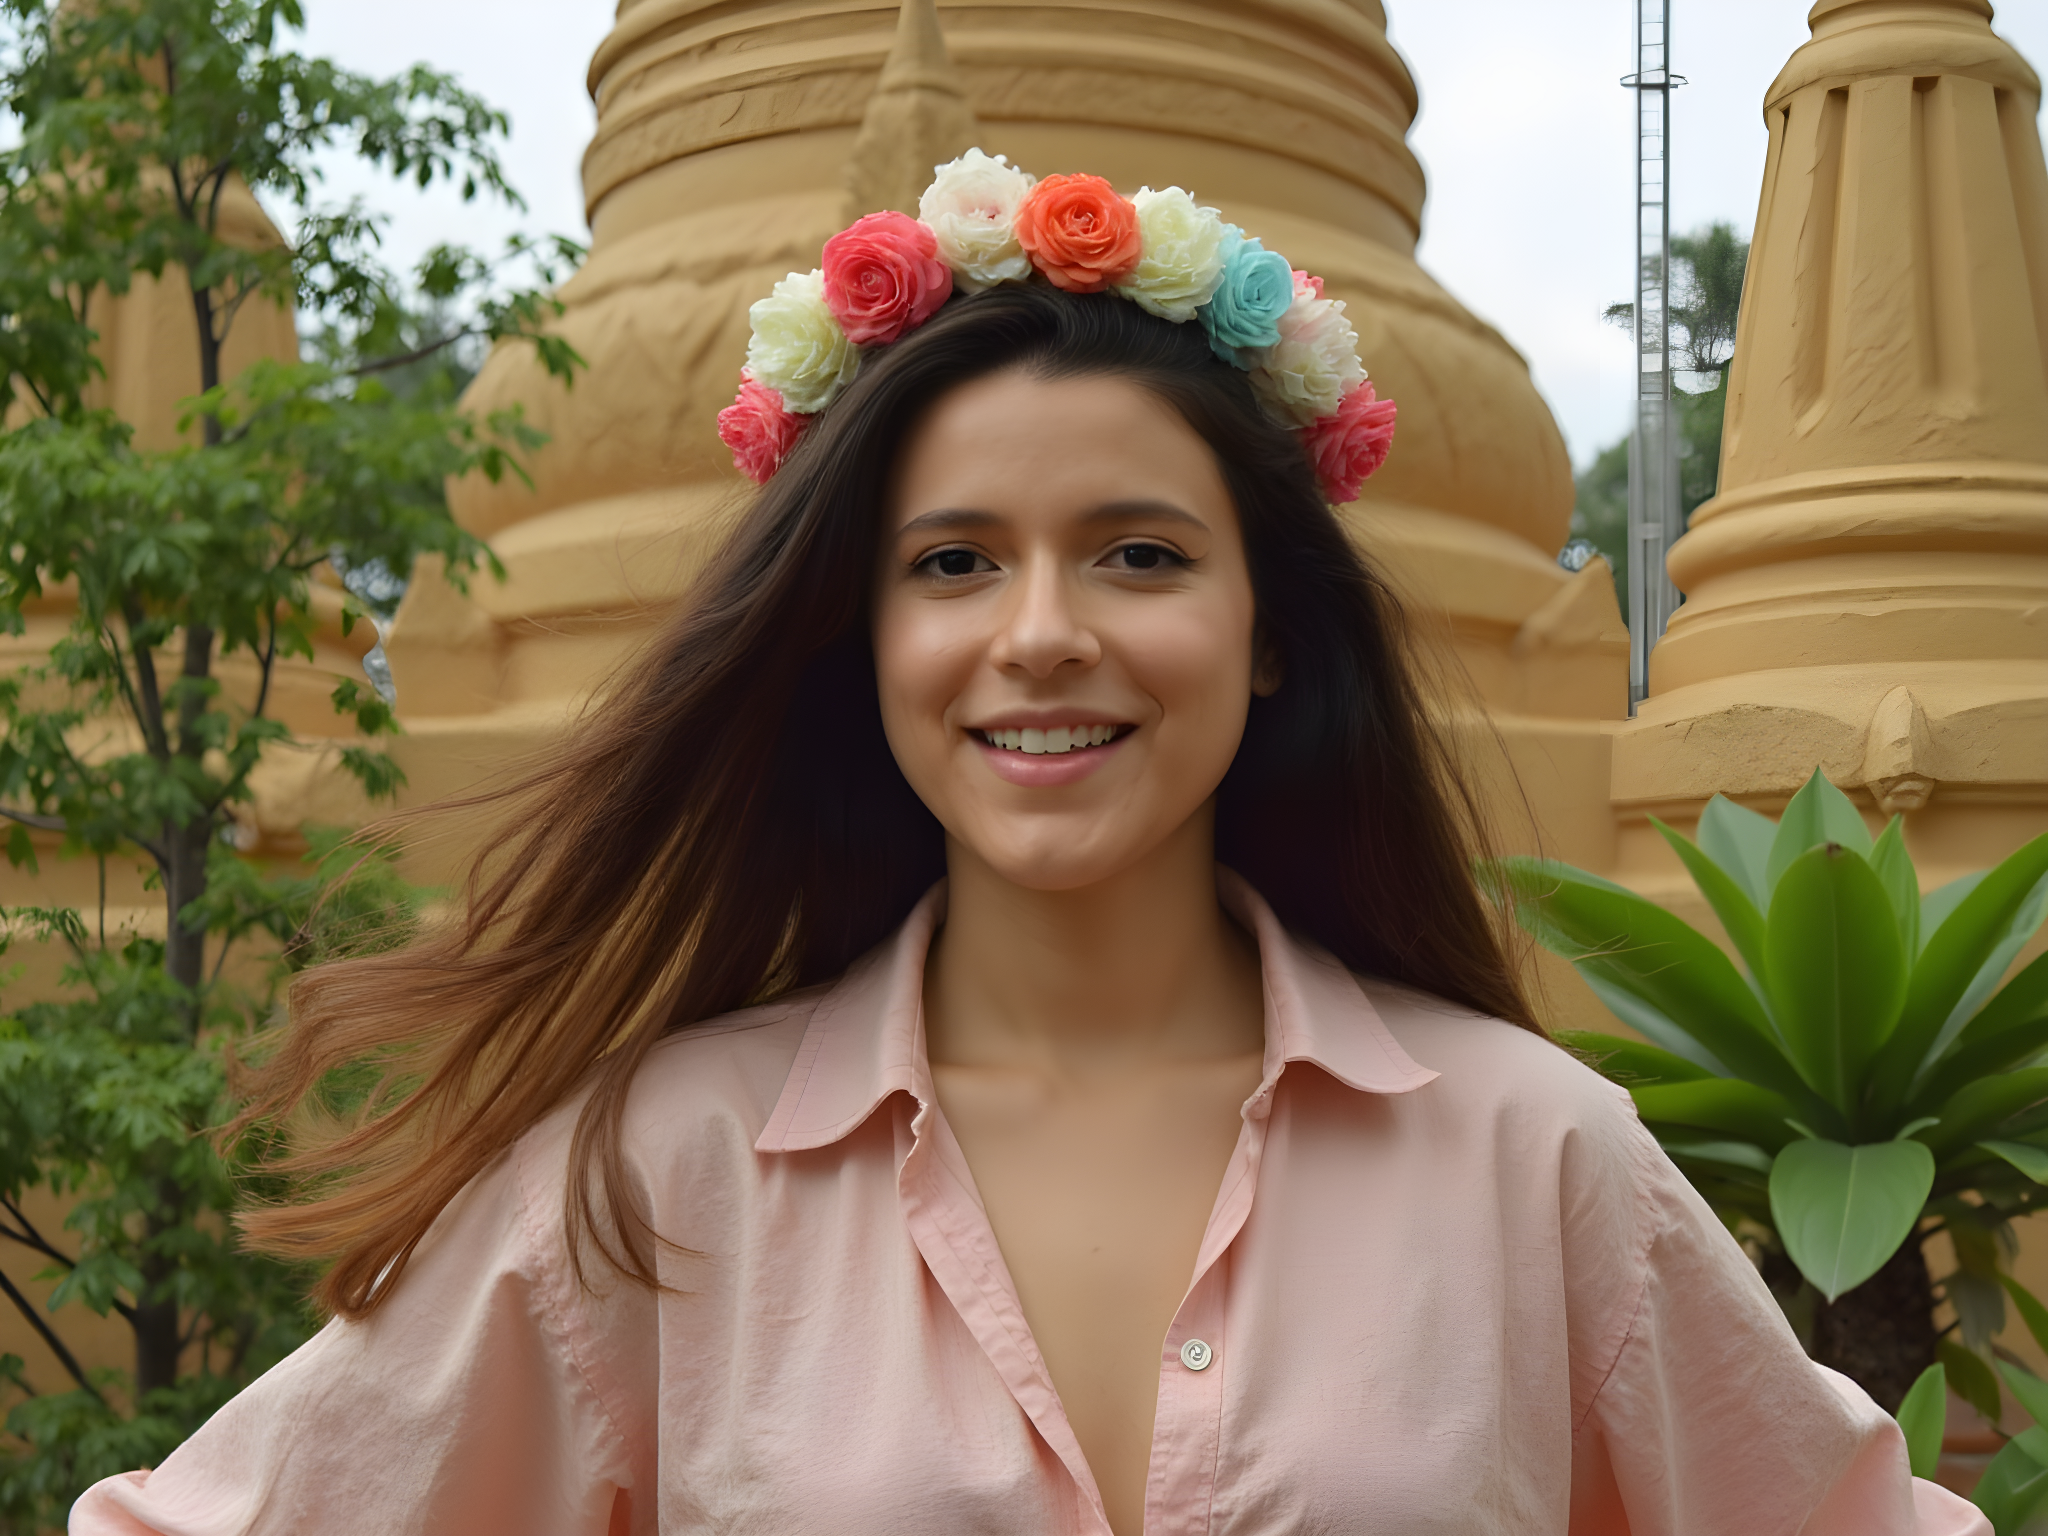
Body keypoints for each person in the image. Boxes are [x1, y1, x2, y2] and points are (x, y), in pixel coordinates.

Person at [73, 154, 1984, 1536]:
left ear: (1273, 633)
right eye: (954, 563)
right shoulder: (664, 1172)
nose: (1044, 630)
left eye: (1141, 554)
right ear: (862, 639)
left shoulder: (1528, 1148)